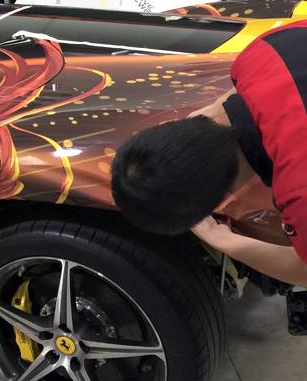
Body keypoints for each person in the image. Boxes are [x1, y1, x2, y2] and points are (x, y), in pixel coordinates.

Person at [110, 21, 307, 286]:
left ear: (224, 199)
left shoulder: (299, 191)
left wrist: (222, 239)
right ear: (170, 124)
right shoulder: (258, 54)